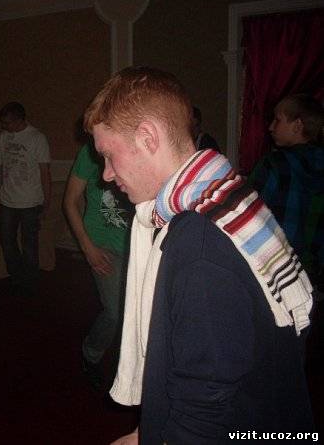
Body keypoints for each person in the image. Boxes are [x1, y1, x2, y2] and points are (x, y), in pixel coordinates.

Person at [84, 67, 315, 444]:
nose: (106, 175)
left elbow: (203, 407)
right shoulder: (227, 195)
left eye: (108, 155)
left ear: (147, 137)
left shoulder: (200, 242)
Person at [63, 131, 132, 391]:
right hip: (102, 245)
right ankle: (90, 353)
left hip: (137, 244)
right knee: (114, 312)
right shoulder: (91, 152)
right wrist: (88, 248)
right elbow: (70, 202)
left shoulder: (138, 148)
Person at [249, 94, 324, 293]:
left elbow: (249, 219)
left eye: (278, 120)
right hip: (314, 277)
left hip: (277, 275)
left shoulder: (274, 165)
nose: (270, 127)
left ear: (297, 125)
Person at [0, 102, 51, 295]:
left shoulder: (37, 138)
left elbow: (45, 172)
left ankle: (31, 282)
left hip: (30, 202)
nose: (4, 126)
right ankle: (17, 277)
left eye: (8, 122)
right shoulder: (4, 137)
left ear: (19, 120)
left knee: (29, 244)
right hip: (7, 200)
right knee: (6, 241)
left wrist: (46, 201)